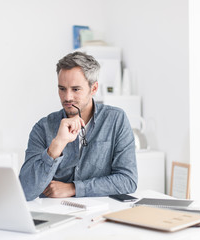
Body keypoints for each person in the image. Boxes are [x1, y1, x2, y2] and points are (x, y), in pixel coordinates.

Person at [19, 51, 137, 201]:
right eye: (62, 89)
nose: (67, 97)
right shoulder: (43, 127)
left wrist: (74, 188)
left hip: (100, 215)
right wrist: (57, 145)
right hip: (54, 216)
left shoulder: (115, 119)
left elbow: (128, 181)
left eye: (75, 89)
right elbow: (25, 190)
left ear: (93, 89)